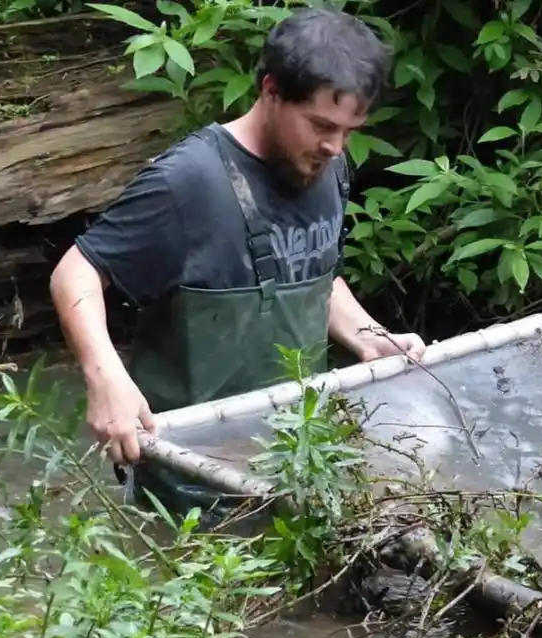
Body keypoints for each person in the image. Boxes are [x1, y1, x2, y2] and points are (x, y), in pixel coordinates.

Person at [49, 7, 426, 520]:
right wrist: (106, 378)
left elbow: (315, 273)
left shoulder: (327, 165)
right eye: (321, 125)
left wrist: (368, 334)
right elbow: (76, 271)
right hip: (190, 491)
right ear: (271, 90)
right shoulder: (188, 183)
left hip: (297, 465)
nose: (335, 147)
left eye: (349, 130)